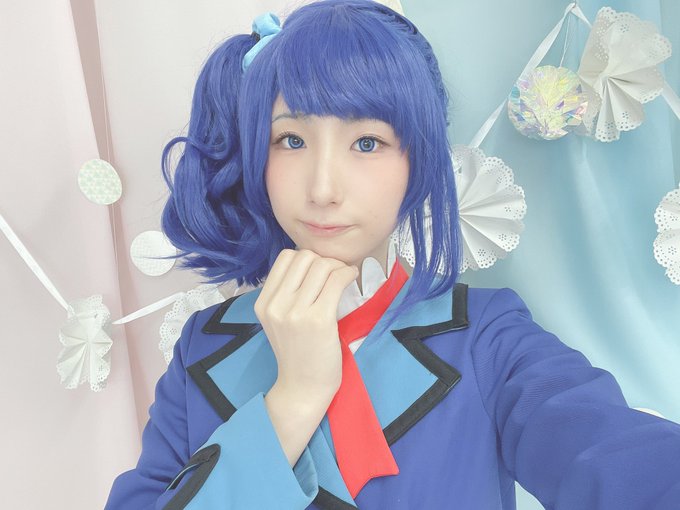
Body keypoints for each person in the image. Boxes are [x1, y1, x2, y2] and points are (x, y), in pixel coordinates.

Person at [105, 1, 680, 508]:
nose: (323, 188)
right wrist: (293, 399)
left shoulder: (487, 336)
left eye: (367, 142)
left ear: (417, 162)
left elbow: (613, 456)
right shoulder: (202, 346)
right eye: (291, 140)